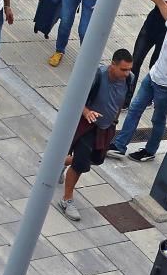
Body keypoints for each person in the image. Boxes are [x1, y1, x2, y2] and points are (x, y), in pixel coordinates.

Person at [107, 0, 167, 161]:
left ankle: (150, 150)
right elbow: (164, 12)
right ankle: (119, 146)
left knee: (158, 118)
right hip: (153, 76)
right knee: (134, 109)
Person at [56, 49, 135, 221]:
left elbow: (121, 100)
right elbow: (75, 97)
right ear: (112, 65)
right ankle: (66, 200)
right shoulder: (97, 76)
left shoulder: (130, 79)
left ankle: (57, 163)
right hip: (88, 126)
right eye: (123, 69)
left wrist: (114, 120)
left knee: (96, 159)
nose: (126, 73)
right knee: (80, 164)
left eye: (129, 69)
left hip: (106, 128)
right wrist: (87, 112)